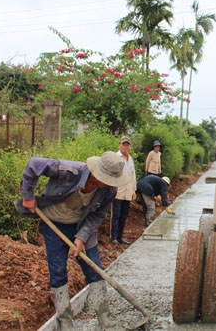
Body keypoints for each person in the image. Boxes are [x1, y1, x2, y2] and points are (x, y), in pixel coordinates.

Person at [16, 151, 128, 330]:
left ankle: (104, 316)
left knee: (94, 270)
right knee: (58, 270)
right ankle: (65, 319)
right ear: (96, 172)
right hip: (54, 224)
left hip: (82, 226)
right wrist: (28, 196)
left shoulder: (109, 190)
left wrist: (82, 236)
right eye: (105, 179)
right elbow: (34, 164)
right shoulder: (70, 171)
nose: (108, 184)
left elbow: (97, 216)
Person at [110, 136, 137, 245]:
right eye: (123, 144)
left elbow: (133, 175)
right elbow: (111, 174)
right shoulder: (116, 157)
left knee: (124, 215)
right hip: (118, 191)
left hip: (128, 191)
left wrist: (133, 190)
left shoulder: (130, 159)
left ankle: (120, 236)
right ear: (119, 145)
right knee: (115, 215)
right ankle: (114, 238)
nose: (125, 147)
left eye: (127, 145)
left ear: (130, 146)